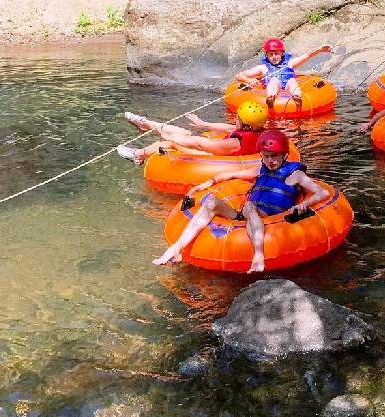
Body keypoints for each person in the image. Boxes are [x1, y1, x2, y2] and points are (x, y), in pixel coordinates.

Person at [153, 130, 328, 272]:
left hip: (270, 219)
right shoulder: (261, 169)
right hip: (244, 216)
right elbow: (233, 174)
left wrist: (305, 204)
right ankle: (176, 249)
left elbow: (322, 192)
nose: (270, 161)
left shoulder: (295, 174)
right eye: (266, 156)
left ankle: (258, 255)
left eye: (274, 156)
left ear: (284, 155)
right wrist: (209, 182)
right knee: (211, 202)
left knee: (250, 206)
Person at [117, 100, 268, 165]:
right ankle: (147, 124)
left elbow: (200, 144)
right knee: (186, 132)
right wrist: (204, 124)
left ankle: (137, 156)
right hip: (220, 152)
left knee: (171, 141)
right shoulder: (256, 130)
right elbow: (229, 128)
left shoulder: (234, 143)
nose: (235, 119)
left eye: (238, 118)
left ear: (245, 123)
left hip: (214, 158)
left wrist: (167, 136)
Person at [236, 37, 333, 108]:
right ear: (267, 55)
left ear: (282, 53)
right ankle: (271, 98)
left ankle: (297, 97)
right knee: (274, 80)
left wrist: (320, 49)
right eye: (271, 54)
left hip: (287, 87)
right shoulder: (263, 68)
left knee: (291, 81)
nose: (274, 57)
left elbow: (307, 55)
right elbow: (239, 75)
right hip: (274, 86)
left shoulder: (290, 63)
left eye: (276, 54)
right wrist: (248, 80)